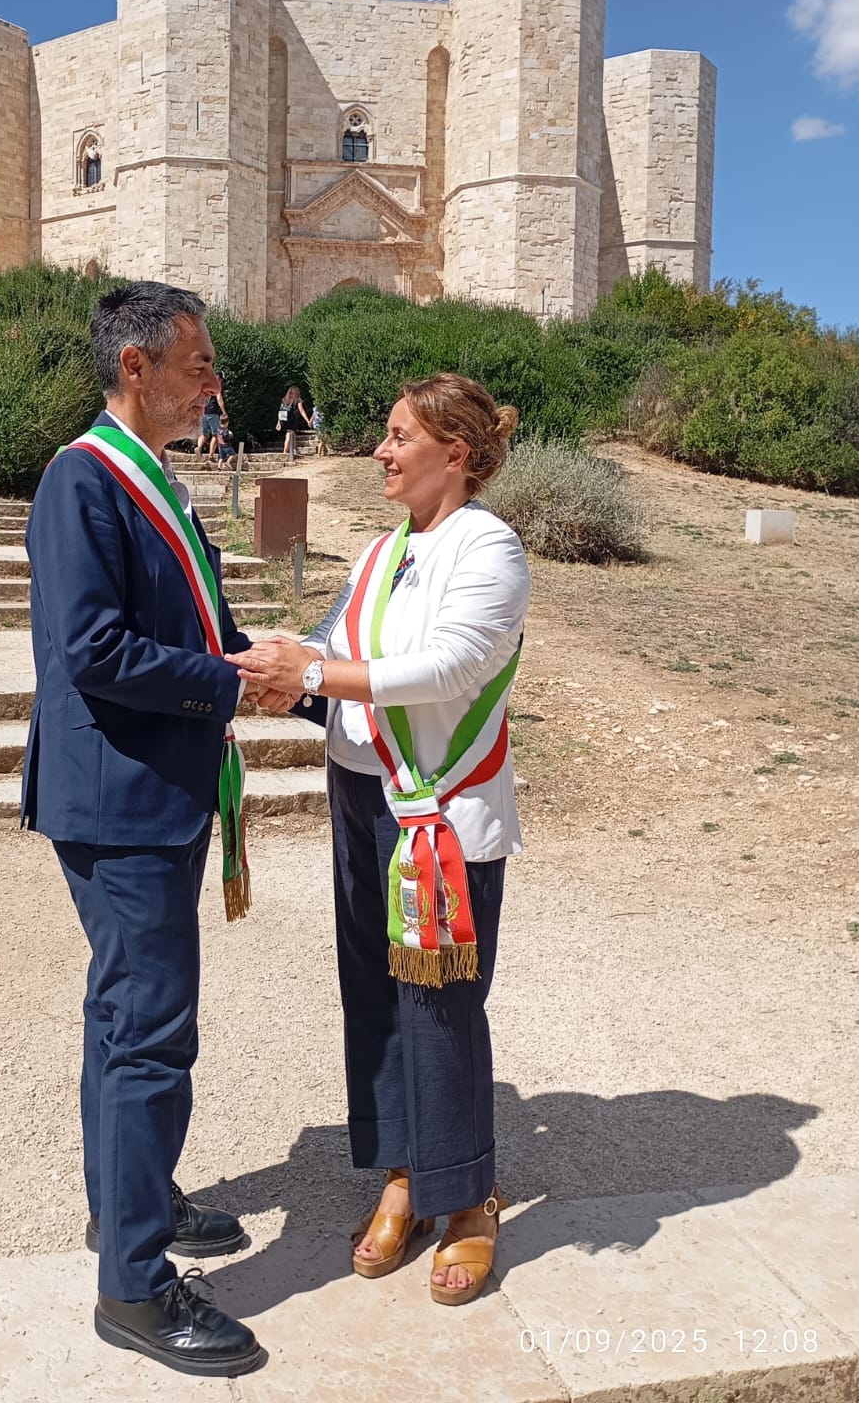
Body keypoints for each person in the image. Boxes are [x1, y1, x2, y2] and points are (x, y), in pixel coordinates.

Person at [22, 282, 291, 1377]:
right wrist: (228, 683)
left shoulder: (157, 481)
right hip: (120, 799)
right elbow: (93, 650)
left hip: (155, 789)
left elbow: (202, 628)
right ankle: (133, 1287)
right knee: (149, 1033)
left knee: (122, 1019)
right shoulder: (83, 480)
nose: (214, 382)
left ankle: (127, 1202)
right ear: (135, 366)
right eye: (199, 363)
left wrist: (297, 677)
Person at [227, 374, 530, 1307]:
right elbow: (336, 645)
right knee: (375, 996)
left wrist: (315, 671)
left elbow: (448, 666)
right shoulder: (381, 550)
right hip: (361, 796)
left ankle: (468, 1200)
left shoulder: (490, 547)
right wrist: (280, 673)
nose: (380, 451)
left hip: (438, 809)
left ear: (456, 454)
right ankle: (404, 1177)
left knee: (440, 1005)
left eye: (400, 437)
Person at [196, 368, 228, 459]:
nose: (222, 381)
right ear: (218, 377)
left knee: (204, 433)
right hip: (213, 412)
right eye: (221, 379)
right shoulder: (216, 386)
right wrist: (224, 412)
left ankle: (199, 447)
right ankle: (211, 455)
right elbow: (219, 399)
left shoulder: (205, 385)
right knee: (216, 435)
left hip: (203, 412)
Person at [275, 385, 309, 462]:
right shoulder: (297, 400)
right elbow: (301, 410)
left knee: (292, 434)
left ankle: (294, 450)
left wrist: (279, 422)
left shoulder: (284, 400)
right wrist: (307, 420)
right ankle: (285, 452)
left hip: (284, 420)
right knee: (289, 435)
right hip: (292, 420)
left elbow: (280, 412)